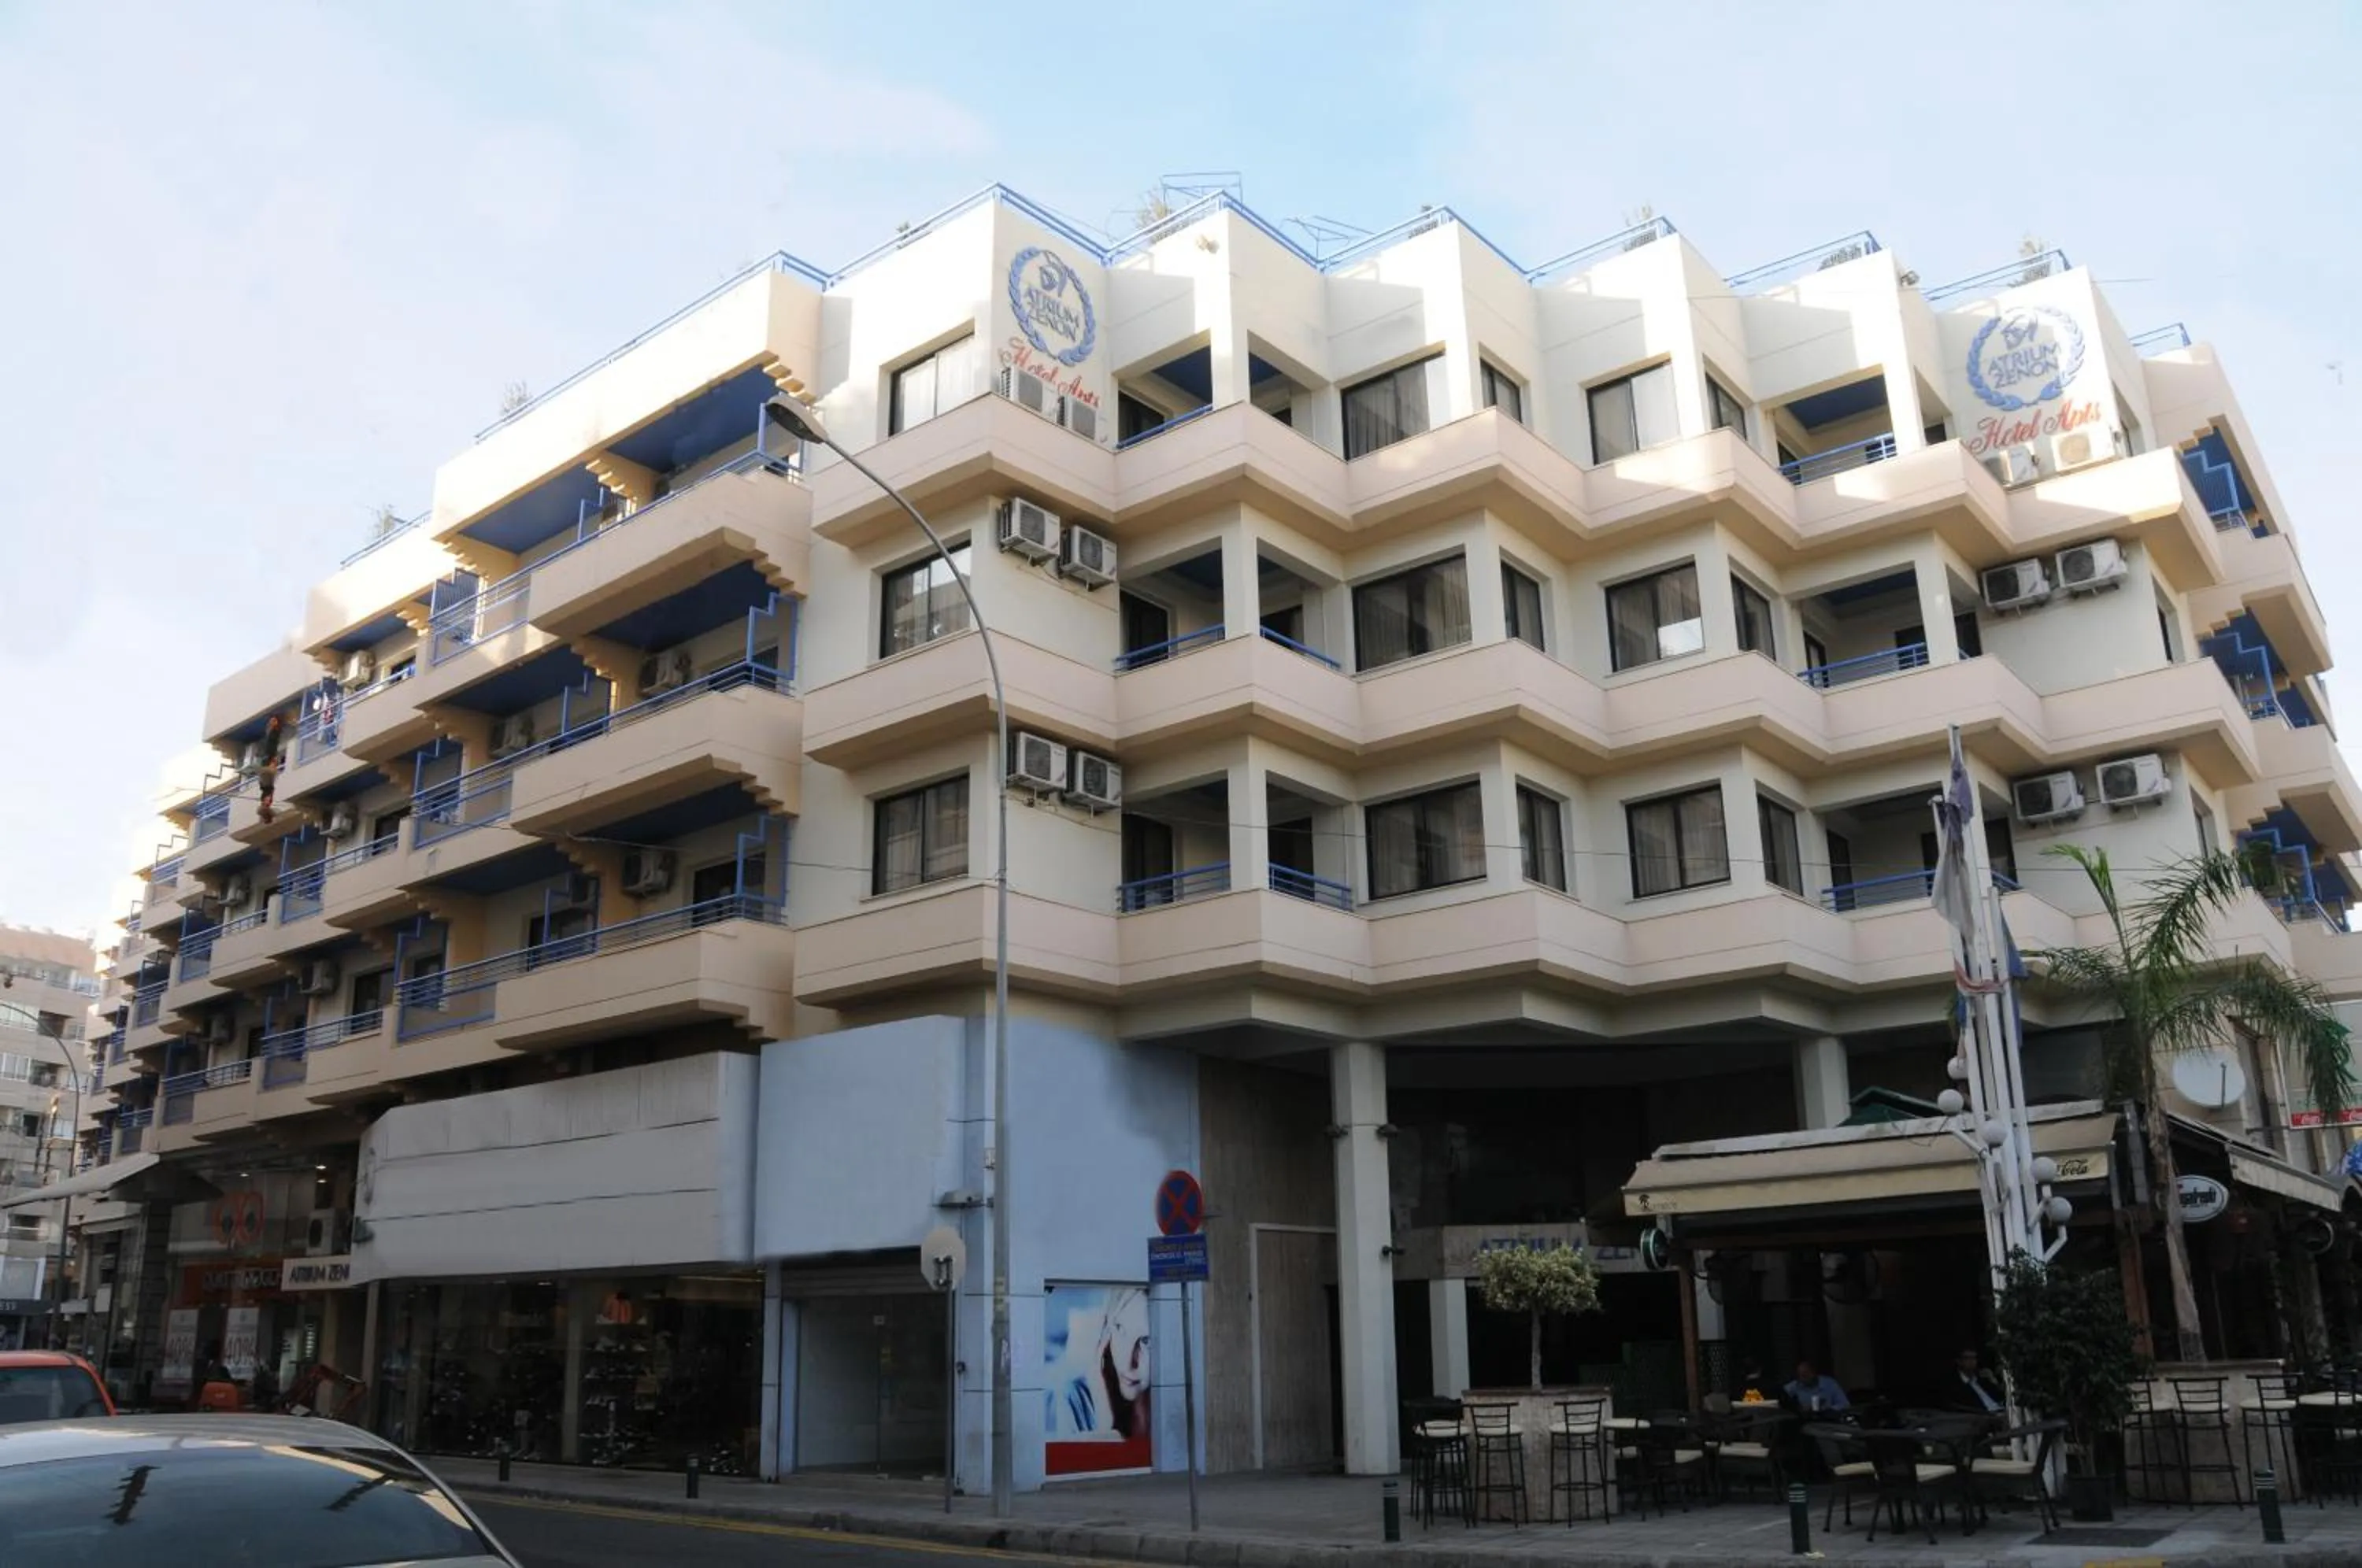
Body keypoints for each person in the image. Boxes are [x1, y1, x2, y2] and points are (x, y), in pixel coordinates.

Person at [1951, 1348, 2005, 1415]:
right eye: (1967, 1358)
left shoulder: (1982, 1379)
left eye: (1974, 1358)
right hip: (1985, 1416)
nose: (1971, 1361)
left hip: (2002, 1411)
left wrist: (1993, 1380)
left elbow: (2000, 1397)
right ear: (1959, 1361)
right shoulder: (1956, 1384)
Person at [1783, 1359, 1849, 1412]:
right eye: (1800, 1376)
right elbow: (1781, 1397)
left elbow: (1845, 1404)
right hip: (1806, 1421)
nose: (1802, 1379)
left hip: (1828, 1419)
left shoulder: (1829, 1384)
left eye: (1805, 1375)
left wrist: (1826, 1409)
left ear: (1814, 1373)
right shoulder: (1795, 1385)